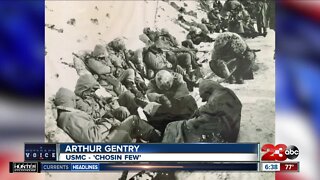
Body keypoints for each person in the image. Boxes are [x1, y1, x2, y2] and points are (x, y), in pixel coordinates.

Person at [54, 87, 162, 143]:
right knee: (133, 120)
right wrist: (109, 122)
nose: (75, 102)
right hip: (104, 144)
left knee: (127, 117)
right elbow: (93, 138)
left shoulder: (69, 115)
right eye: (73, 99)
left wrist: (105, 121)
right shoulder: (69, 118)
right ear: (67, 101)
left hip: (104, 136)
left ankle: (146, 136)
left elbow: (91, 127)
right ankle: (157, 141)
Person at [162, 80, 242, 143]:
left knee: (175, 126)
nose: (205, 100)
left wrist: (191, 119)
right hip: (230, 130)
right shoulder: (226, 92)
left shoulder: (216, 99)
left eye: (205, 98)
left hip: (225, 134)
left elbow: (209, 110)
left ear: (208, 92)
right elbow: (212, 108)